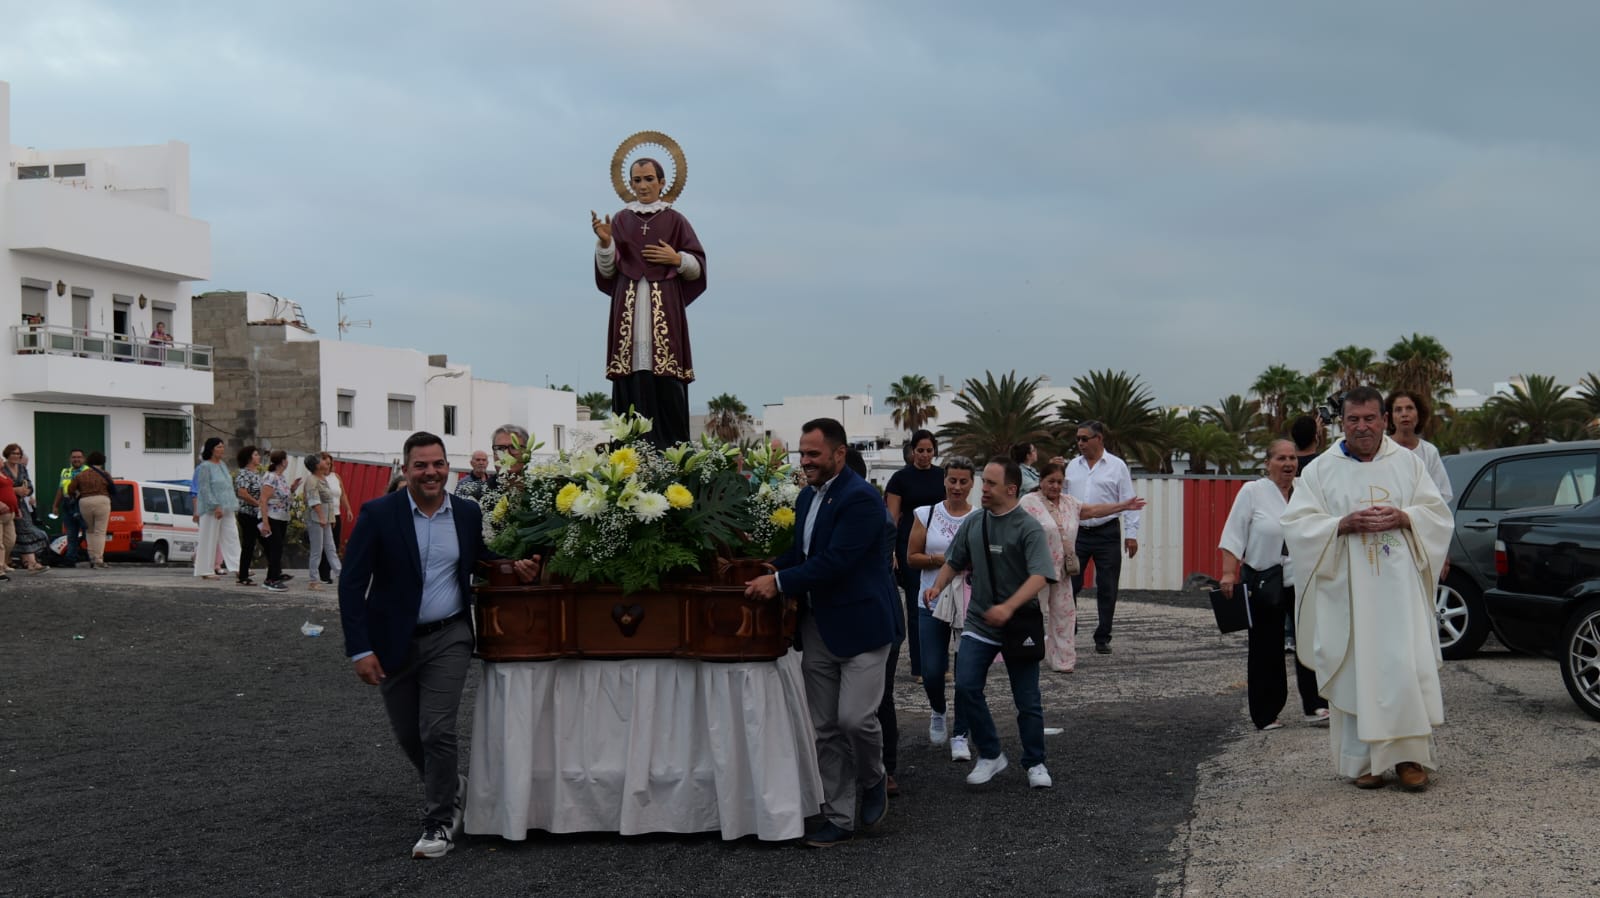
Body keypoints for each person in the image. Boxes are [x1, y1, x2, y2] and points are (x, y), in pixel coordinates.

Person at [338, 431, 541, 860]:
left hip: (449, 636)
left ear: (449, 466)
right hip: (392, 641)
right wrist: (360, 649)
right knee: (409, 735)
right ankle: (451, 785)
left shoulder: (466, 513)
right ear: (406, 468)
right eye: (421, 465)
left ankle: (440, 819)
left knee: (437, 730)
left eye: (438, 464)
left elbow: (481, 557)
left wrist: (512, 567)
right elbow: (352, 585)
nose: (431, 472)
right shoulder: (379, 515)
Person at [1282, 386, 1453, 791]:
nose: (1362, 427)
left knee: (1404, 667)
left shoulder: (1408, 465)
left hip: (1400, 593)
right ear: (1342, 422)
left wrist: (1405, 516)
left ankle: (1410, 758)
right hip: (1349, 593)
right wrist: (1339, 525)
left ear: (1384, 420)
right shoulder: (1321, 470)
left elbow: (1437, 514)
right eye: (1353, 419)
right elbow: (1296, 525)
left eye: (1370, 418)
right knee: (1358, 669)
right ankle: (1365, 762)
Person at [744, 418, 899, 848]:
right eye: (802, 453)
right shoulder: (807, 498)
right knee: (824, 728)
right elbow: (804, 552)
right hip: (818, 628)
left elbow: (835, 562)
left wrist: (776, 584)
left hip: (864, 628)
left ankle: (873, 778)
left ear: (839, 453)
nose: (805, 461)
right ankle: (838, 817)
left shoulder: (863, 499)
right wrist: (769, 564)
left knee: (855, 718)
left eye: (813, 454)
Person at [924, 456, 1057, 789]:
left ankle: (1035, 762)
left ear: (1011, 489)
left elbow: (1041, 575)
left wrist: (1008, 607)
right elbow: (954, 560)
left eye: (991, 484)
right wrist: (937, 586)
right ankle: (991, 754)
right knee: (967, 687)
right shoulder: (975, 522)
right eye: (984, 483)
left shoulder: (1028, 527)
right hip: (980, 623)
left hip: (1019, 623)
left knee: (1027, 700)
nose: (983, 489)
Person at [592, 157, 707, 449]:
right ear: (629, 184)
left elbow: (698, 267)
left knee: (667, 384)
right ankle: (628, 452)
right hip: (627, 309)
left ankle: (671, 452)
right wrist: (605, 244)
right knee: (629, 382)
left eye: (648, 179)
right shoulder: (620, 220)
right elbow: (607, 271)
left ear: (661, 182)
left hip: (664, 309)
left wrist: (677, 259)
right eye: (637, 180)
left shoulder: (675, 220)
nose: (642, 186)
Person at [1218, 439, 1328, 730]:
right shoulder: (1252, 492)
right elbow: (1233, 535)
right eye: (1281, 458)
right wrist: (1229, 573)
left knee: (1310, 641)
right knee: (1266, 647)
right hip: (1264, 578)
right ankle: (1266, 712)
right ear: (1268, 463)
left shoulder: (1306, 491)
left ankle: (1316, 704)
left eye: (1292, 457)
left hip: (1302, 577)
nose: (1288, 464)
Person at [1020, 461, 1147, 673]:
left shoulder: (1070, 503)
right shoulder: (1028, 503)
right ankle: (1025, 655)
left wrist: (1123, 506)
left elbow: (1095, 510)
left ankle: (1062, 660)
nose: (1055, 486)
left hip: (1062, 572)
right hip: (1036, 571)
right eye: (1051, 481)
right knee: (1031, 614)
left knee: (1064, 616)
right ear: (1041, 481)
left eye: (1059, 482)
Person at [906, 455, 977, 760]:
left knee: (966, 674)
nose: (957, 487)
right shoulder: (927, 514)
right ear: (944, 480)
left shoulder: (980, 516)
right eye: (952, 480)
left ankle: (961, 733)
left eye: (963, 481)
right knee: (932, 670)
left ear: (973, 483)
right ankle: (938, 708)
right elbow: (912, 557)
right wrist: (946, 560)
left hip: (968, 603)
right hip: (930, 599)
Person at [1066, 420, 1141, 654]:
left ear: (1099, 439)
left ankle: (1102, 636)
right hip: (1078, 533)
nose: (1080, 443)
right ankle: (1070, 628)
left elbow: (1128, 501)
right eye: (1077, 438)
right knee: (1070, 584)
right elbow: (1064, 501)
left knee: (1107, 586)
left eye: (1084, 438)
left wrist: (1131, 535)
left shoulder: (1117, 466)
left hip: (1107, 531)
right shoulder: (1071, 466)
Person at [884, 429, 945, 686]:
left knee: (944, 605)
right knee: (915, 606)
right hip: (909, 547)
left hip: (939, 545)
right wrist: (891, 551)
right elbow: (892, 517)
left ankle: (941, 664)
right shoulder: (900, 479)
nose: (924, 455)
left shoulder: (943, 476)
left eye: (929, 450)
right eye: (920, 450)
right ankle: (919, 666)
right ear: (912, 451)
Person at [1386, 391, 1452, 504]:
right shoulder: (1381, 447)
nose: (1404, 414)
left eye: (1409, 408)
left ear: (1419, 414)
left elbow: (1442, 494)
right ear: (1389, 417)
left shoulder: (1429, 452)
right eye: (1398, 410)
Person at [194, 438, 241, 579]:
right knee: (209, 538)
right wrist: (215, 506)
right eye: (219, 447)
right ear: (212, 449)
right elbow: (204, 489)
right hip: (211, 509)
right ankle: (205, 570)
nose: (222, 449)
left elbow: (227, 486)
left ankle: (239, 567)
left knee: (232, 536)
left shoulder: (222, 465)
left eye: (222, 446)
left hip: (227, 506)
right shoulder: (205, 467)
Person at [1, 444, 49, 573]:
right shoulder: (2, 468)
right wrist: (15, 490)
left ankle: (30, 562)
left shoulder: (22, 468)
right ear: (7, 454)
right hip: (6, 505)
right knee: (10, 536)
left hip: (21, 505)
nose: (16, 456)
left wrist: (27, 491)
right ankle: (27, 562)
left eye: (18, 454)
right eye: (13, 453)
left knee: (24, 532)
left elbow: (29, 484)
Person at [67, 451, 116, 569]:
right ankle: (98, 559)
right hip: (102, 500)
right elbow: (113, 489)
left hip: (85, 502)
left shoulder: (81, 475)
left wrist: (77, 495)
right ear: (102, 462)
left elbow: (70, 489)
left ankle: (92, 557)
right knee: (100, 532)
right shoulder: (105, 474)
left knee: (89, 531)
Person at [304, 454, 342, 591]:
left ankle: (340, 575)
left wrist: (329, 518)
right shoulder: (312, 480)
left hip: (325, 518)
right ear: (315, 465)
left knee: (331, 547)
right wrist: (321, 517)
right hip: (316, 518)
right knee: (317, 550)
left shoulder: (323, 478)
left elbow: (329, 501)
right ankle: (313, 580)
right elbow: (314, 501)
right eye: (321, 461)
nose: (325, 463)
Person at [316, 452, 354, 585]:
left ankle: (330, 570)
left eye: (330, 463)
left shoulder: (336, 477)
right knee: (325, 544)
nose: (328, 465)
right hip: (325, 515)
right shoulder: (317, 478)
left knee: (335, 543)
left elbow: (342, 494)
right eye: (326, 462)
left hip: (336, 514)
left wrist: (348, 509)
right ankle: (323, 573)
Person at [257, 450, 292, 592]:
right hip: (271, 517)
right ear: (283, 461)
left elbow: (283, 496)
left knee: (277, 548)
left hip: (281, 517)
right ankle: (271, 579)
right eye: (286, 459)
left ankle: (275, 575)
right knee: (274, 548)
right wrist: (265, 523)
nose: (287, 461)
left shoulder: (281, 477)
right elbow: (264, 499)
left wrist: (293, 488)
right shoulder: (270, 477)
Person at [51, 449, 87, 567]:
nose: (76, 459)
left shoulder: (88, 471)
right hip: (67, 504)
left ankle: (93, 558)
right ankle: (71, 560)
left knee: (88, 533)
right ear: (70, 459)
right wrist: (55, 505)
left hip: (81, 503)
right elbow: (61, 489)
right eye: (74, 457)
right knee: (71, 534)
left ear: (83, 459)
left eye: (79, 457)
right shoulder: (65, 472)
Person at [234, 446, 264, 586]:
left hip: (257, 514)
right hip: (247, 514)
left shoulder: (257, 474)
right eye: (256, 454)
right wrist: (257, 503)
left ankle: (276, 572)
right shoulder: (244, 474)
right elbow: (242, 493)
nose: (259, 457)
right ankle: (243, 576)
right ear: (249, 458)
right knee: (248, 544)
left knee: (266, 542)